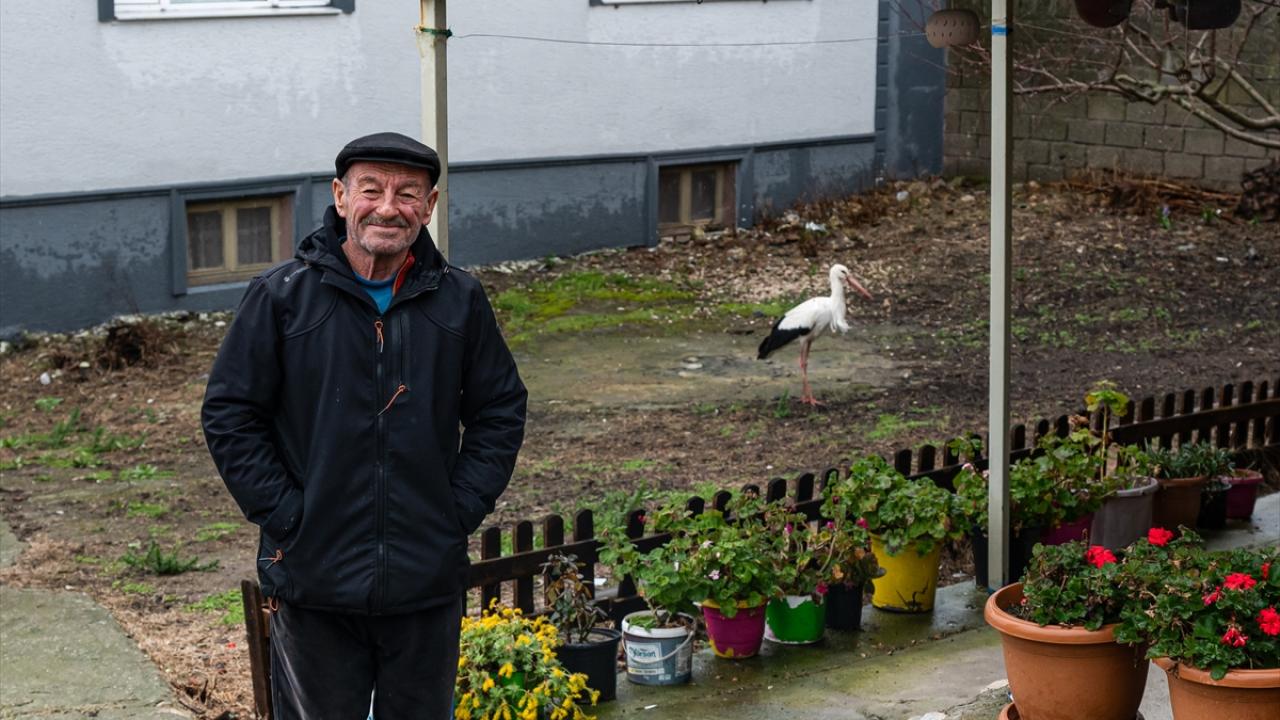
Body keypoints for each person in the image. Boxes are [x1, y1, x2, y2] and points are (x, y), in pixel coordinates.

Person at [202, 132, 527, 718]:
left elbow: (500, 409)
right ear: (340, 197)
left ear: (428, 208)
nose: (387, 206)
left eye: (408, 194)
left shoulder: (458, 300)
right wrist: (288, 516)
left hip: (424, 578)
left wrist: (458, 507)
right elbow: (230, 414)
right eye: (371, 189)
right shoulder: (282, 298)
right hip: (314, 576)